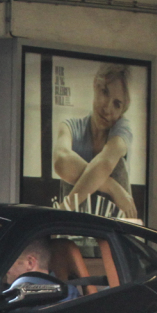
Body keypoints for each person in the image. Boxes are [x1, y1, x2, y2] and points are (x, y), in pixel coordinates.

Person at [52, 64, 138, 219]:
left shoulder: (123, 128)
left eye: (117, 104)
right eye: (105, 92)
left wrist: (64, 208)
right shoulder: (70, 126)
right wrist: (112, 187)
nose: (107, 108)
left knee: (115, 164)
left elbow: (105, 164)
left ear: (122, 112)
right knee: (74, 161)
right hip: (75, 224)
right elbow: (61, 162)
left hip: (113, 227)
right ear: (95, 86)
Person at [2, 238, 80, 301]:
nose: (5, 266)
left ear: (30, 263)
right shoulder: (68, 294)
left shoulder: (64, 296)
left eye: (10, 261)